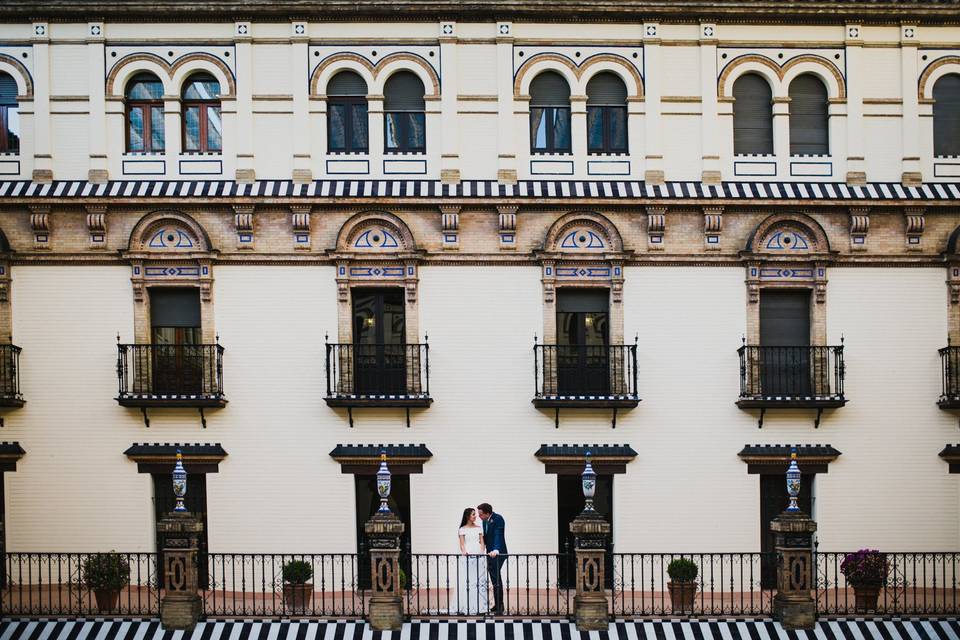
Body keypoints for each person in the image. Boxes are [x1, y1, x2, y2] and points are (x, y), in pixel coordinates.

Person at [455, 507, 488, 615]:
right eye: (473, 514)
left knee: (478, 580)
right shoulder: (462, 529)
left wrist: (482, 552)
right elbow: (462, 544)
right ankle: (467, 606)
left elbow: (482, 542)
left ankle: (480, 606)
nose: (475, 516)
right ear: (468, 516)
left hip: (478, 555)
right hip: (468, 556)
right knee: (468, 579)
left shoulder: (479, 528)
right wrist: (465, 552)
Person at [477, 502, 507, 615]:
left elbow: (498, 534)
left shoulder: (498, 518)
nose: (479, 516)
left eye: (480, 514)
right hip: (489, 553)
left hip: (497, 553)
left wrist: (496, 550)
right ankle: (498, 605)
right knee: (495, 580)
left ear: (487, 513)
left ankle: (500, 606)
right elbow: (485, 536)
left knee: (496, 579)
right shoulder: (484, 521)